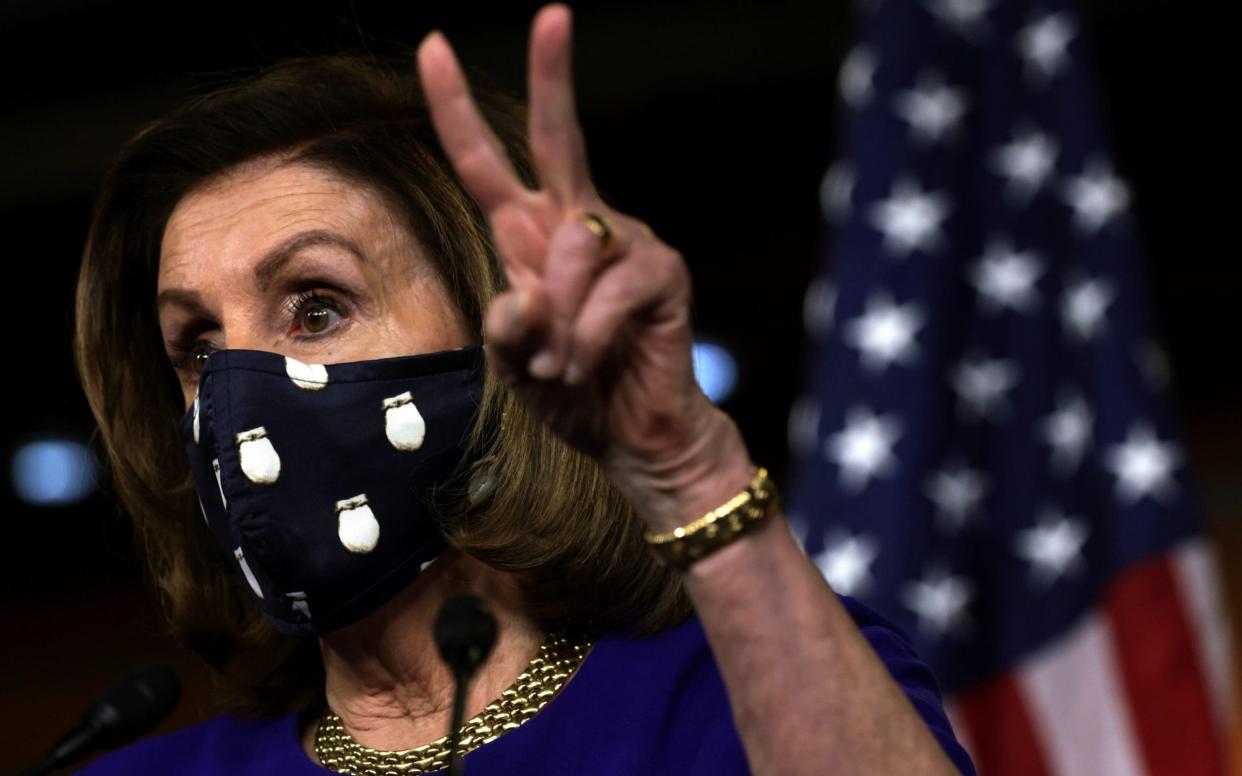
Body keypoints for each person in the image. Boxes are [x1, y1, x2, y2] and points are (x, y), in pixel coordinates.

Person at [72, 5, 974, 774]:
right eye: (197, 348)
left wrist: (690, 467)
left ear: (499, 324)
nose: (237, 393)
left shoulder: (737, 693)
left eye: (315, 309)